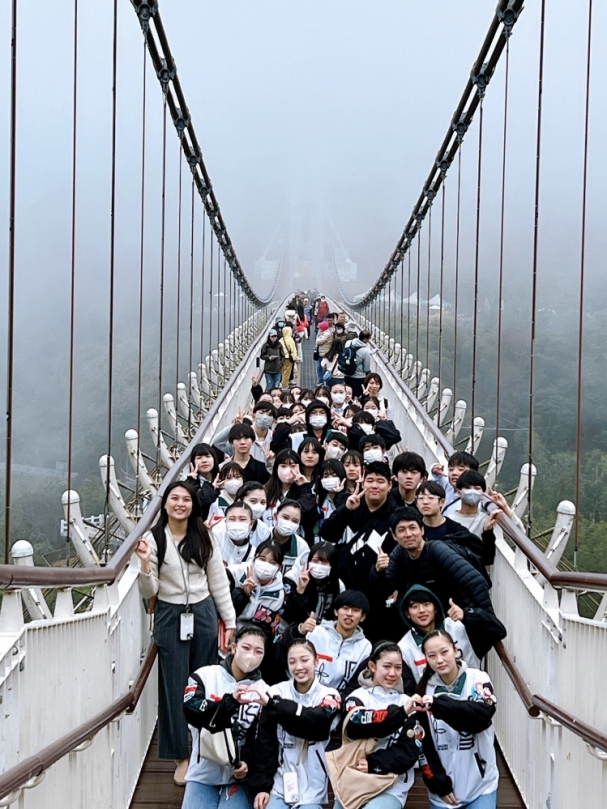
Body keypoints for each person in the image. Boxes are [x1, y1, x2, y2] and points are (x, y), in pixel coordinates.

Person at [135, 481, 236, 784]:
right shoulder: (153, 540)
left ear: (193, 504)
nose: (180, 504)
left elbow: (218, 580)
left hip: (203, 613)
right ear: (164, 504)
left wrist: (229, 621)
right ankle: (181, 755)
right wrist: (143, 564)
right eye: (174, 499)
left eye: (186, 499)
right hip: (169, 614)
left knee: (204, 681)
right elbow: (148, 590)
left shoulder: (203, 535)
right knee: (175, 686)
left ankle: (203, 748)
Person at [181, 625, 268, 809]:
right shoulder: (204, 675)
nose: (251, 655)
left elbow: (265, 740)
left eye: (258, 651)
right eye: (246, 648)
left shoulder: (265, 692)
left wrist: (248, 765)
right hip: (202, 772)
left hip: (241, 778)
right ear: (234, 648)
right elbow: (191, 709)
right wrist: (228, 704)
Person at [249, 638, 341, 809]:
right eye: (292, 662)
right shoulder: (276, 691)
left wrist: (276, 706)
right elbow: (265, 742)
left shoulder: (330, 696)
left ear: (316, 661)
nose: (298, 667)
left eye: (305, 660)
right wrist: (262, 787)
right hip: (279, 783)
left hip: (313, 788)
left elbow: (316, 724)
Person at [371, 508, 496, 631]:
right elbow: (385, 589)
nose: (408, 534)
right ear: (394, 536)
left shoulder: (437, 550)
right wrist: (378, 571)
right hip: (430, 617)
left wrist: (488, 620)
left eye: (412, 528)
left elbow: (475, 581)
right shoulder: (399, 552)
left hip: (457, 616)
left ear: (422, 530)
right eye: (401, 530)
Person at [414, 631, 499, 809]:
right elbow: (423, 744)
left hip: (481, 786)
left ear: (455, 650)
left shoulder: (477, 678)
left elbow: (483, 714)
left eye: (444, 652)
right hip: (443, 794)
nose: (439, 660)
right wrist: (439, 784)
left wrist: (439, 705)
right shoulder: (423, 691)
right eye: (432, 655)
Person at [342, 641, 420, 809]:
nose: (392, 673)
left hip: (392, 785)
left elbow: (409, 751)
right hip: (355, 781)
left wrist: (374, 763)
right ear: (372, 666)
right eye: (387, 666)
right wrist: (400, 713)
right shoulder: (357, 697)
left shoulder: (408, 702)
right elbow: (355, 725)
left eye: (398, 668)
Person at [287, 589, 371, 693]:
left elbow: (356, 683)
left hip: (337, 701)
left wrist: (337, 700)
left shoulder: (365, 647)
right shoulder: (316, 632)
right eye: (345, 608)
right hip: (303, 693)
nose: (349, 614)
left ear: (362, 617)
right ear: (336, 611)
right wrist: (299, 631)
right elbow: (283, 651)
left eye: (355, 610)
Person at [229, 539, 286, 637]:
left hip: (250, 636)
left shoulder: (278, 595)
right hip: (226, 627)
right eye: (262, 559)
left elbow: (266, 629)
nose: (266, 565)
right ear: (254, 558)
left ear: (279, 567)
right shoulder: (235, 573)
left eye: (272, 562)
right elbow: (222, 608)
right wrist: (243, 593)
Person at [282, 540, 343, 627]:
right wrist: (300, 589)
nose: (319, 565)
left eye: (325, 562)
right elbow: (288, 613)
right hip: (294, 630)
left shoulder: (338, 585)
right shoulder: (293, 578)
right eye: (315, 561)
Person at [263, 450, 317, 528]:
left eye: (292, 466)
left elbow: (310, 517)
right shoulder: (265, 491)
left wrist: (305, 487)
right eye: (283, 466)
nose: (288, 470)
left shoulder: (305, 490)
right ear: (276, 468)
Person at [270, 500, 309, 575]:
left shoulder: (302, 547)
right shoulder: (263, 535)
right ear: (275, 516)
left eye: (295, 521)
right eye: (285, 517)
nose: (289, 523)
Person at [187, 443, 220, 521]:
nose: (204, 461)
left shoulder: (223, 478)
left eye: (208, 456)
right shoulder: (188, 483)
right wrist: (191, 482)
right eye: (199, 458)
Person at [238, 482, 272, 548]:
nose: (258, 506)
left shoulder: (264, 530)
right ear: (240, 501)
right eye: (253, 501)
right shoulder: (222, 527)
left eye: (263, 502)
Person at [342, 330, 372, 398]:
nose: (369, 341)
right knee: (358, 396)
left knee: (348, 394)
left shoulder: (349, 343)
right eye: (368, 339)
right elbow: (366, 368)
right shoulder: (366, 351)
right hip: (359, 377)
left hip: (347, 374)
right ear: (365, 339)